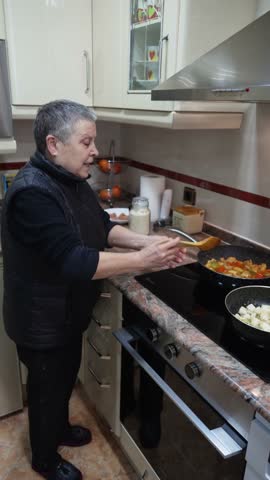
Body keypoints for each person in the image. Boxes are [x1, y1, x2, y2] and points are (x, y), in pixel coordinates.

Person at [1, 99, 185, 480]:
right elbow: (73, 260)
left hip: (65, 312)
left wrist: (144, 244)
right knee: (46, 387)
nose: (95, 152)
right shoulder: (33, 193)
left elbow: (100, 225)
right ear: (54, 144)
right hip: (41, 319)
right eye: (87, 142)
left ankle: (59, 430)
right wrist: (142, 261)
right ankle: (44, 458)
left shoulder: (71, 179)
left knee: (64, 377)